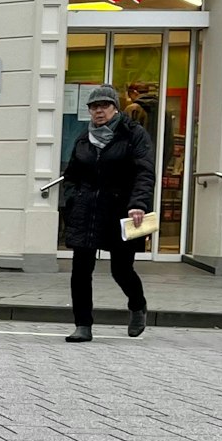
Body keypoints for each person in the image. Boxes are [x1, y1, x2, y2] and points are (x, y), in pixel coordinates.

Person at [58, 84, 155, 342]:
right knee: (80, 270)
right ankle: (83, 325)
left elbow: (145, 172)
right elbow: (71, 176)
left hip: (121, 210)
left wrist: (139, 204)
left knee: (121, 270)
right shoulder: (83, 138)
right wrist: (73, 199)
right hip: (87, 210)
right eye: (94, 107)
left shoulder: (134, 134)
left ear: (115, 108)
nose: (98, 111)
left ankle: (137, 305)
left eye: (104, 106)